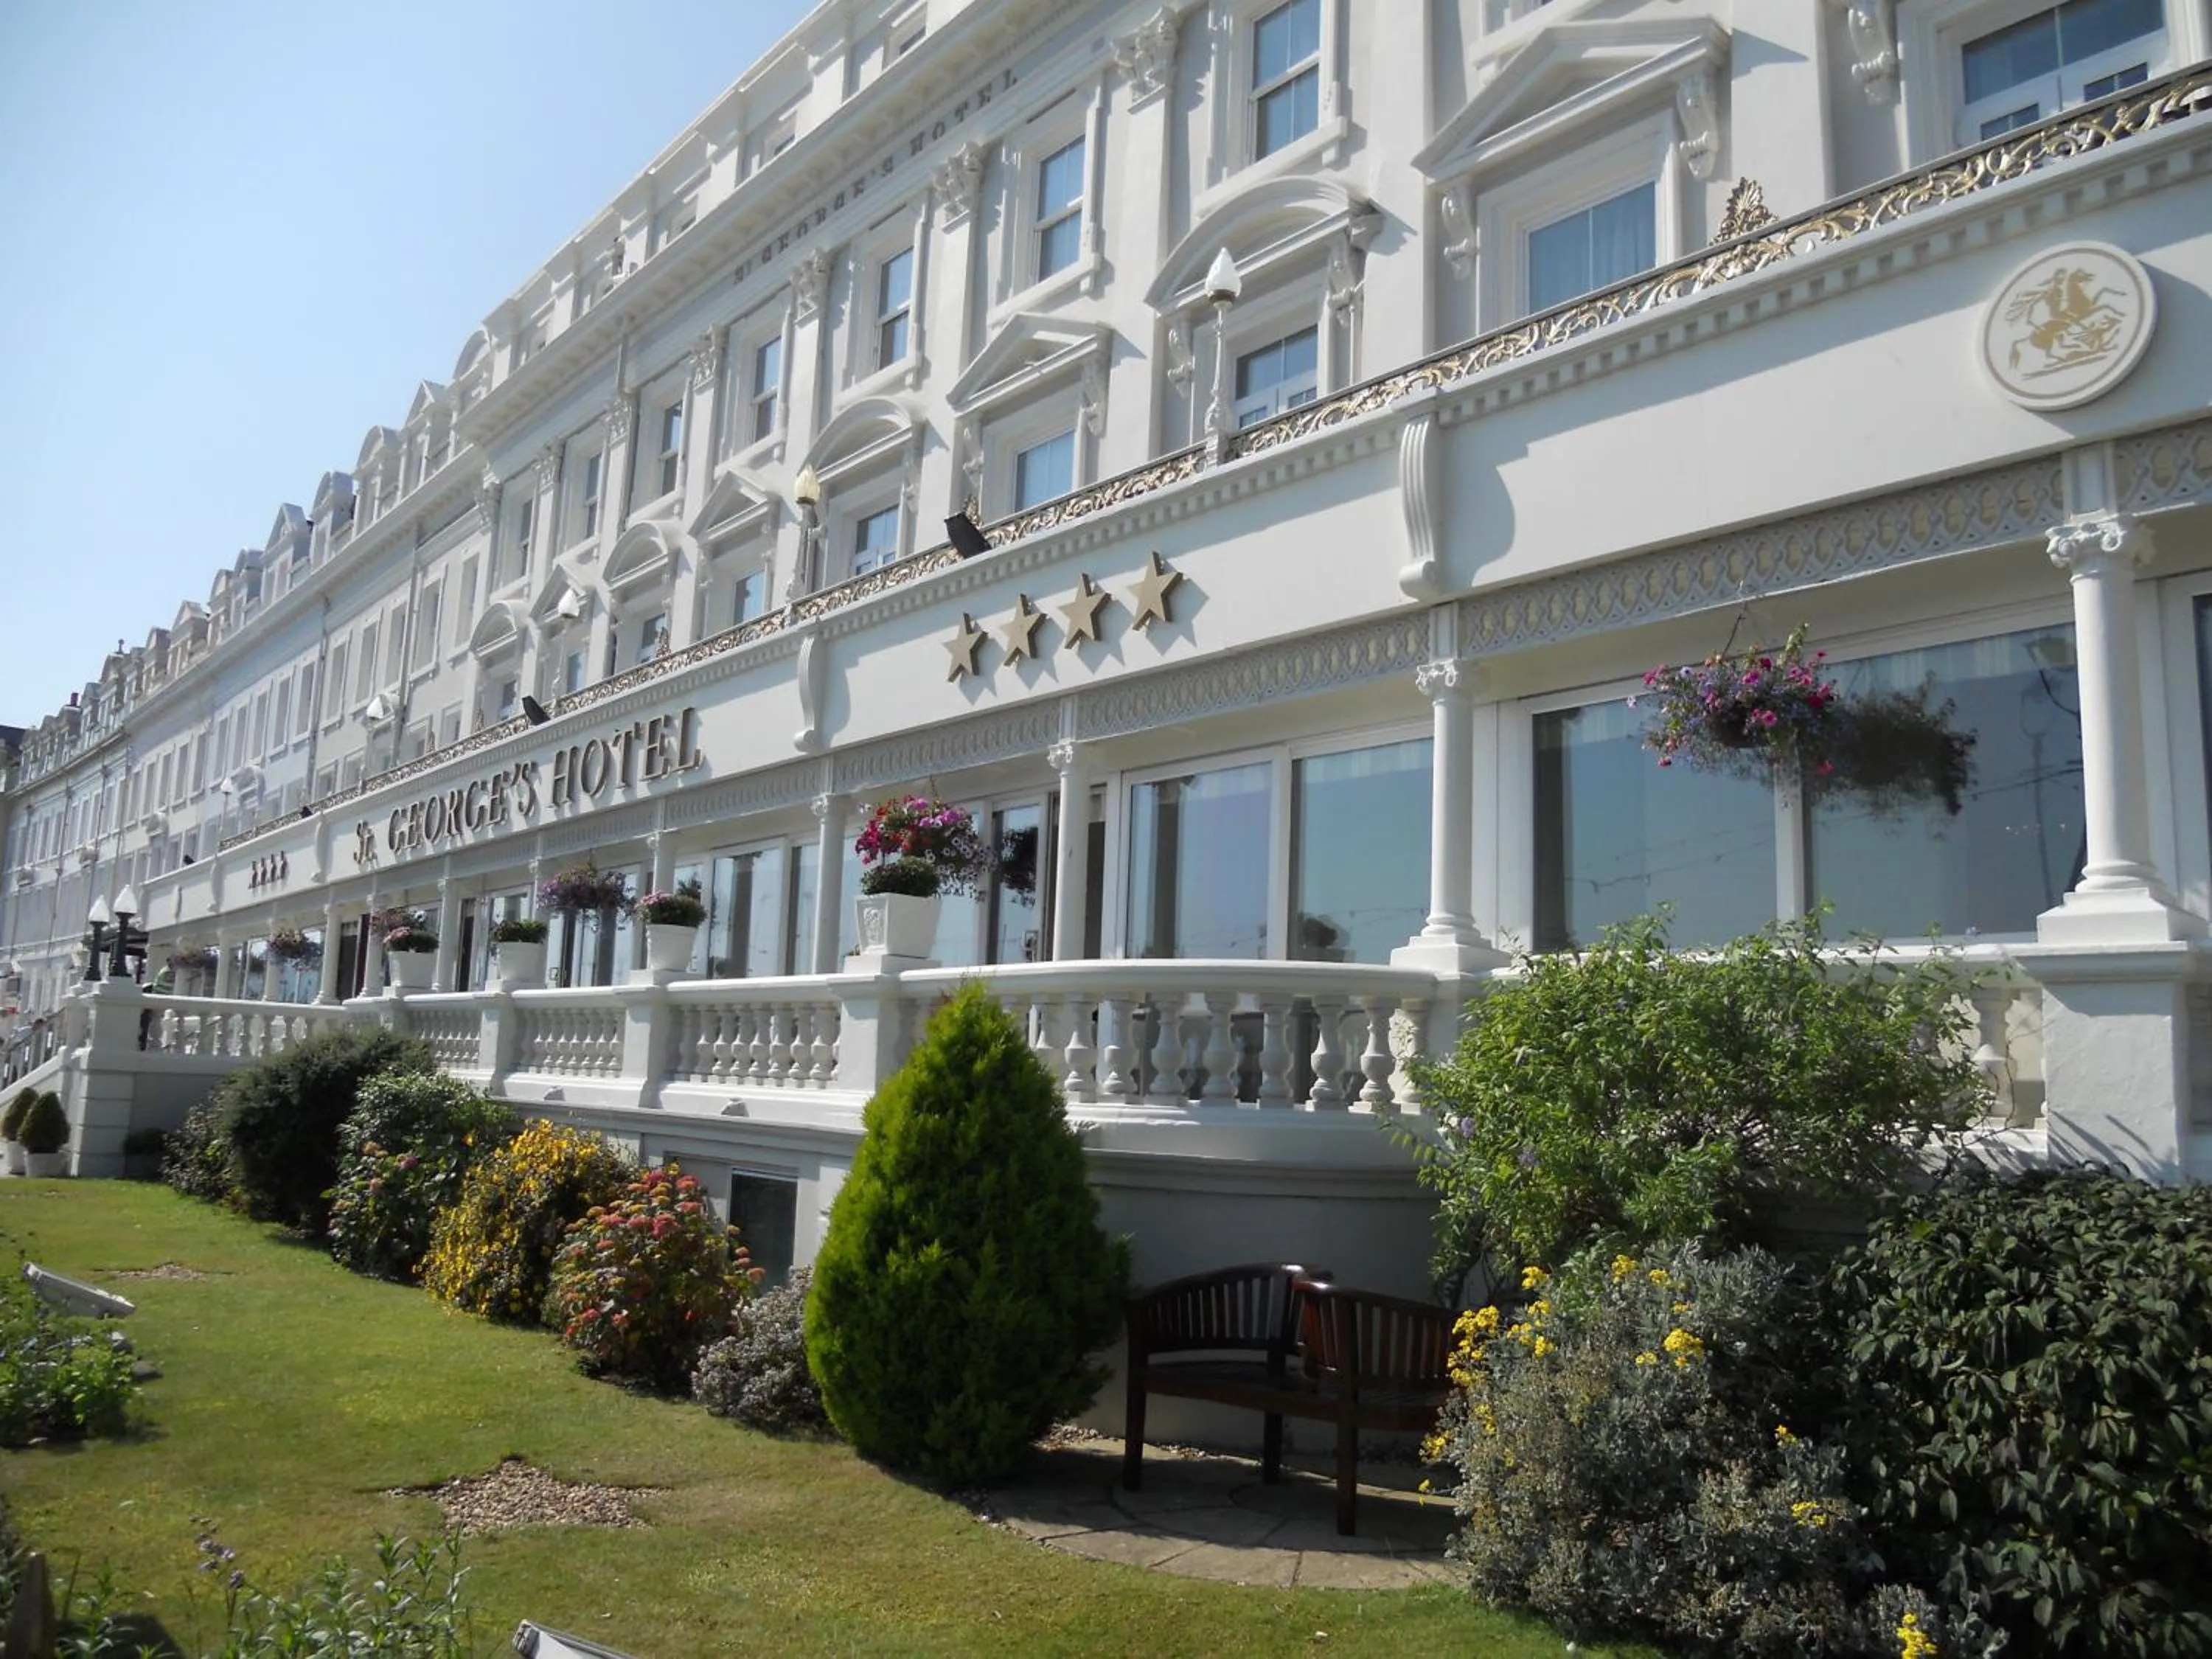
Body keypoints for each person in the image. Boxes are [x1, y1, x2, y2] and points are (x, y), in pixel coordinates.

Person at [139, 964, 174, 1051]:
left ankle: (145, 1045)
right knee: (148, 1024)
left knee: (148, 1024)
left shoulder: (166, 971)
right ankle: (145, 1045)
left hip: (156, 1002)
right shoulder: (168, 972)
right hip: (156, 1002)